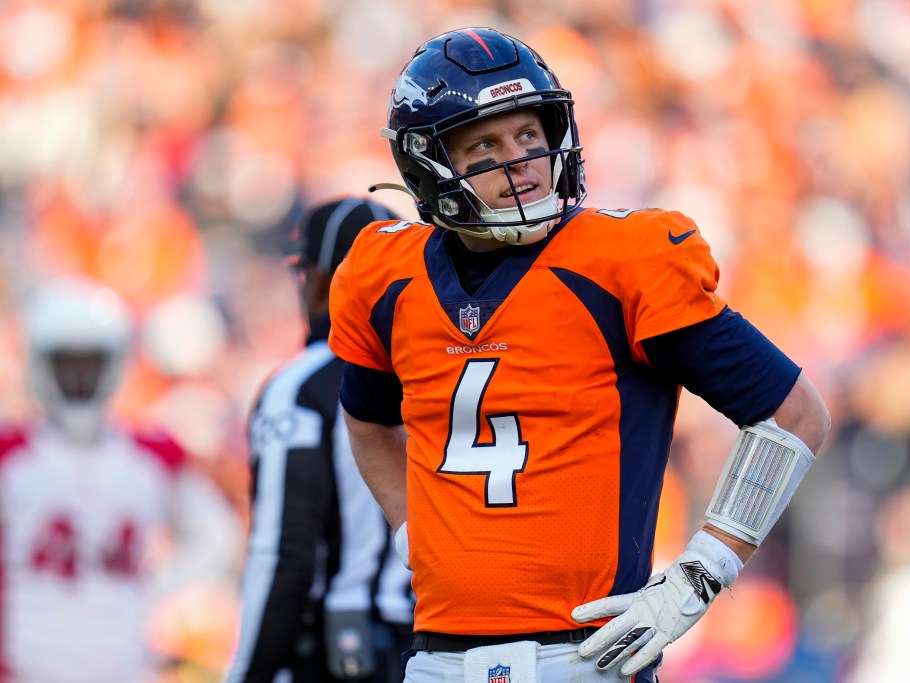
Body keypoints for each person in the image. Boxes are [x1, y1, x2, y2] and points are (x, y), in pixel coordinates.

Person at [328, 27, 832, 682]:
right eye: (485, 145)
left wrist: (705, 569)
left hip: (585, 655)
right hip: (437, 659)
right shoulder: (383, 273)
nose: (521, 162)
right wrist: (410, 534)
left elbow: (795, 414)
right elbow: (367, 418)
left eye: (530, 137)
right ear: (427, 160)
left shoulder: (623, 260)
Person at [0, 276, 240, 683]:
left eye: (90, 364)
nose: (80, 378)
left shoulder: (151, 458)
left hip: (123, 661)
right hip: (26, 660)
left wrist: (158, 590)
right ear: (42, 365)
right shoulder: (12, 456)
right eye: (67, 364)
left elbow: (217, 536)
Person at [226, 197, 415, 683]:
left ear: (319, 281)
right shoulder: (443, 369)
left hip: (339, 651)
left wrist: (250, 673)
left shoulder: (301, 386)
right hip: (434, 646)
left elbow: (285, 553)